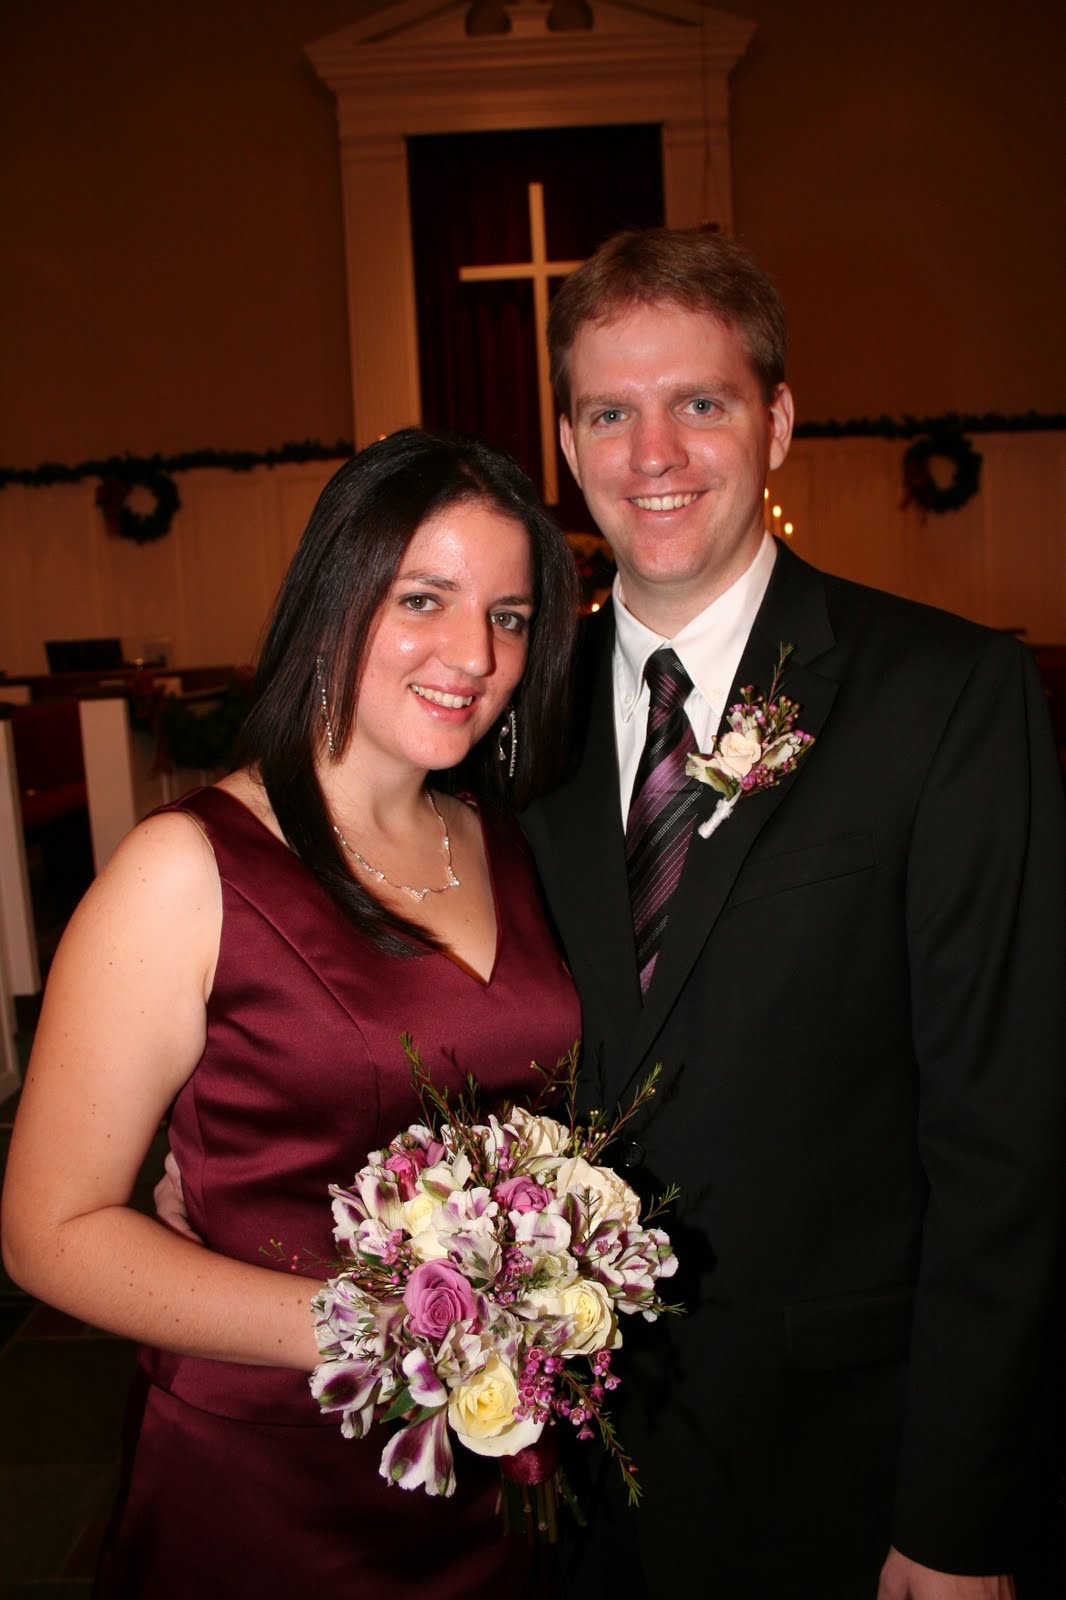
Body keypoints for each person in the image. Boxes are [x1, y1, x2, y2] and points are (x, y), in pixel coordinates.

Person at [519, 227, 1066, 1600]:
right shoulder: (513, 718)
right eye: (609, 413)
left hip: (841, 1465)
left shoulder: (944, 697)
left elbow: (1007, 1135)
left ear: (774, 422)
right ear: (568, 444)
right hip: (554, 1475)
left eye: (698, 402)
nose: (652, 453)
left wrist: (956, 1517)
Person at [0, 428, 582, 1600]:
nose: (475, 652)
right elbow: (48, 1232)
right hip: (269, 1482)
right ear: (331, 599)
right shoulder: (185, 868)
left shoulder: (507, 843)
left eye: (509, 616)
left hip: (485, 1478)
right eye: (423, 598)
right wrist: (393, 1327)